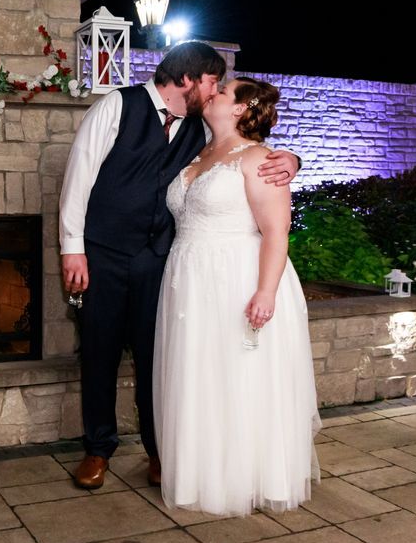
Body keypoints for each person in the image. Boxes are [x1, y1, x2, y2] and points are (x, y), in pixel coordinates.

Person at [58, 43, 298, 491]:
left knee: (160, 356)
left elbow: (243, 151)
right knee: (99, 351)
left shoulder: (201, 128)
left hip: (160, 260)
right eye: (212, 82)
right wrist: (74, 249)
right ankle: (97, 449)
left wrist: (291, 159)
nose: (213, 94)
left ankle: (161, 451)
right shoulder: (117, 105)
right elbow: (79, 176)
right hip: (103, 254)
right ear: (189, 78)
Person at [154, 77, 320, 515]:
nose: (214, 93)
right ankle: (201, 475)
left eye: (223, 91)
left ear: (242, 108)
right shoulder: (199, 148)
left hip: (235, 278)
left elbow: (276, 231)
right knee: (200, 376)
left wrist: (266, 292)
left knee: (239, 377)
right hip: (189, 279)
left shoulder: (261, 160)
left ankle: (244, 478)